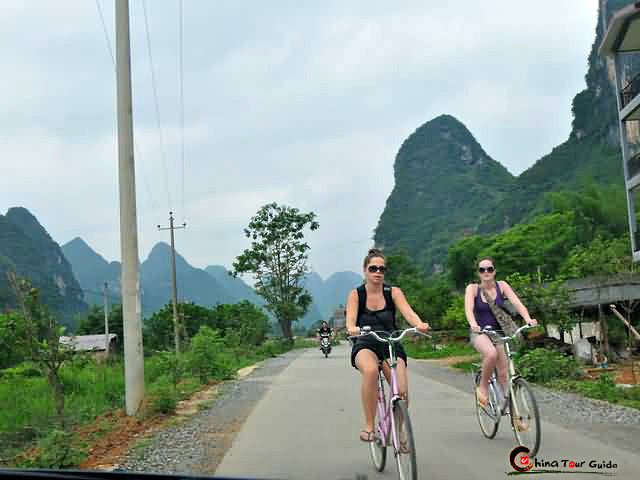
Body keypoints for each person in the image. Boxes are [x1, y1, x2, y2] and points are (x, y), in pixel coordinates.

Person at [346, 248, 430, 443]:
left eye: (382, 269)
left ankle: (399, 429)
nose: (378, 272)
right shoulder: (356, 294)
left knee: (401, 390)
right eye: (373, 268)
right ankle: (369, 427)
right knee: (370, 372)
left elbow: (409, 313)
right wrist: (352, 328)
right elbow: (350, 319)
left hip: (390, 343)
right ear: (365, 270)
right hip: (365, 342)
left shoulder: (393, 292)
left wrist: (419, 324)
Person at [464, 257, 537, 408]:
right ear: (478, 273)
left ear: (494, 271)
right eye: (482, 270)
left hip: (498, 333)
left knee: (504, 374)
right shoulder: (473, 289)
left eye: (489, 269)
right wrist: (473, 324)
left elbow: (517, 303)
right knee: (491, 354)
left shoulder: (502, 286)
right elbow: (468, 309)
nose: (486, 272)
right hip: (480, 332)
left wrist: (528, 318)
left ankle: (514, 414)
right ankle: (483, 387)